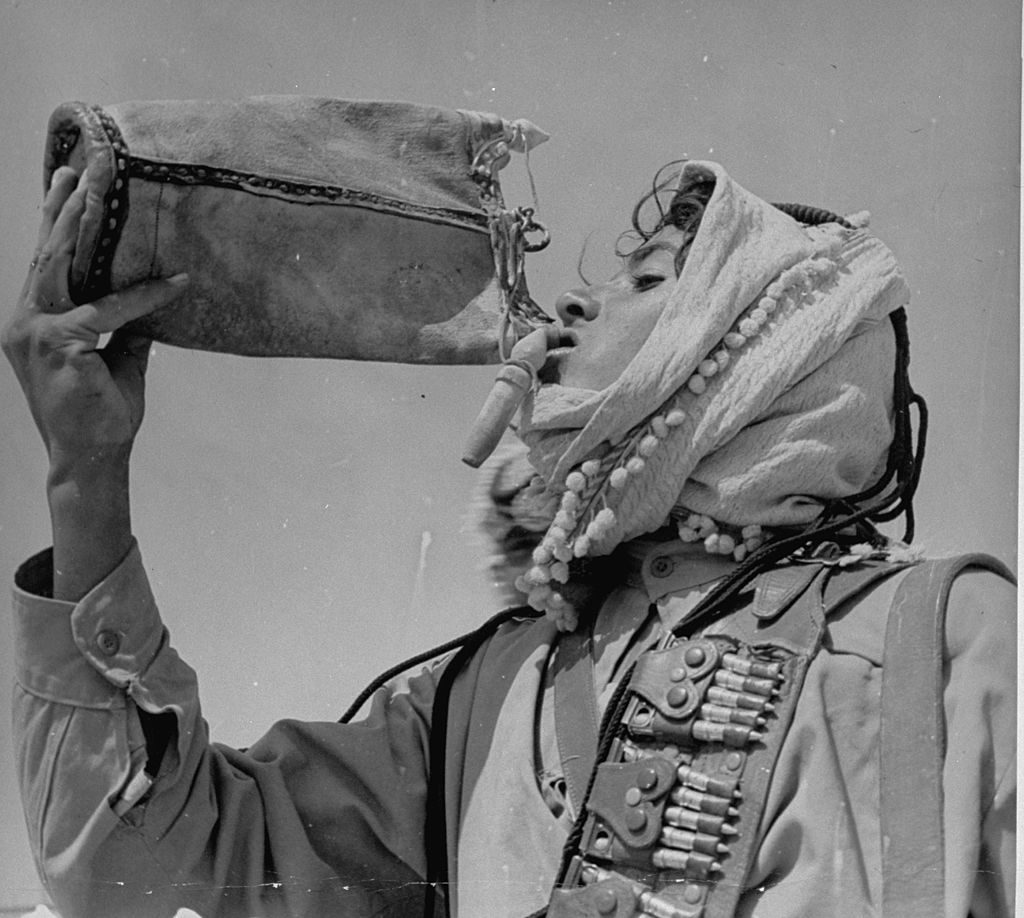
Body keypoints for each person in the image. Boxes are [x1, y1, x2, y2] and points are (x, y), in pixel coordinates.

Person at [5, 159, 1015, 918]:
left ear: (767, 352)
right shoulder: (484, 698)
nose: (577, 300)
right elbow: (136, 871)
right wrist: (83, 475)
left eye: (651, 280)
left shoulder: (950, 640)